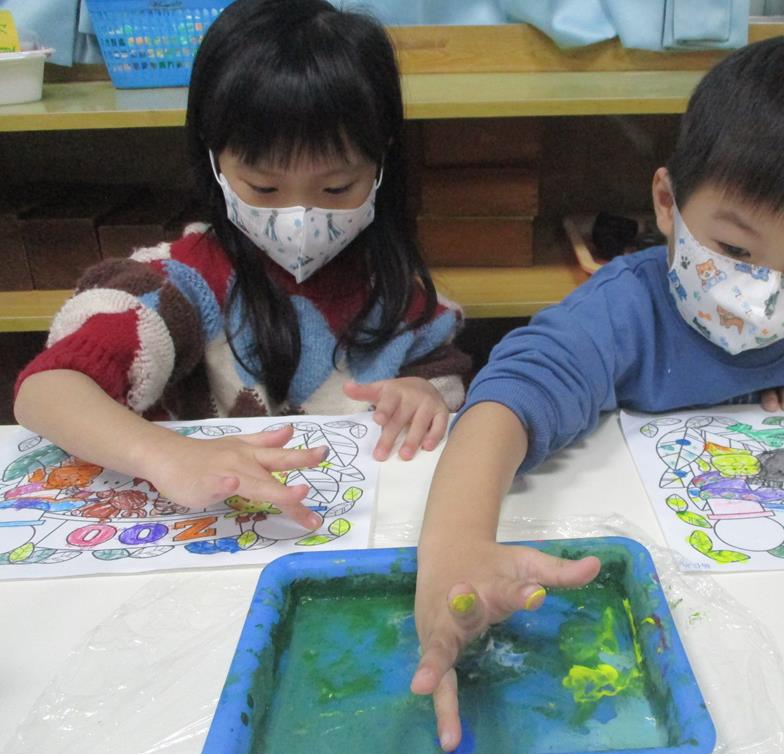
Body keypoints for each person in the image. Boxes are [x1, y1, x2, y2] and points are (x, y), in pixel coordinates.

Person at [411, 34, 784, 750]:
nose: (763, 294)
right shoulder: (621, 311)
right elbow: (507, 399)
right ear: (667, 203)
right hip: (624, 587)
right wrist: (456, 544)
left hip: (764, 606)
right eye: (735, 251)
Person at [14, 0, 469, 530]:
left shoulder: (403, 298)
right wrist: (166, 455)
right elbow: (47, 389)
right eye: (265, 188)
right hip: (214, 526)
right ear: (214, 158)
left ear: (382, 161)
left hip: (349, 525)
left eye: (337, 188)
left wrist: (421, 397)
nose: (299, 215)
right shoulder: (178, 286)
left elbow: (438, 390)